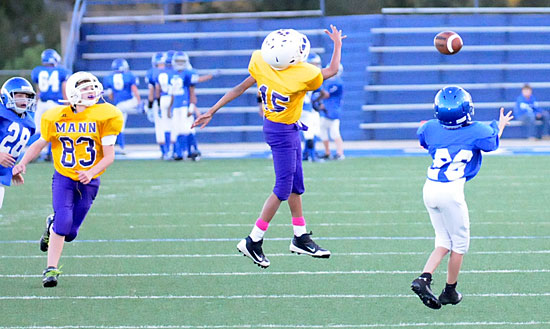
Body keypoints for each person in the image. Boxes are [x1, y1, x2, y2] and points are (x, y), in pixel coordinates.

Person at [192, 25, 345, 268]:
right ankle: (253, 239)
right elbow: (333, 69)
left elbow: (240, 88)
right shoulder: (302, 74)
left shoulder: (261, 62)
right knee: (283, 188)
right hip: (282, 131)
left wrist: (212, 110)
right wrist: (337, 43)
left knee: (296, 184)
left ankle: (300, 236)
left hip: (281, 127)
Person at [12, 72, 123, 288]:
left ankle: (50, 225)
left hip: (89, 181)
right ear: (73, 92)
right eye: (85, 88)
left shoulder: (106, 115)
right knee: (63, 224)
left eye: (93, 87)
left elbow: (109, 156)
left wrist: (91, 172)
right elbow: (39, 144)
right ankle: (50, 269)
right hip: (64, 176)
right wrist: (22, 162)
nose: (91, 91)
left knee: (70, 233)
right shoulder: (56, 116)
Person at [410, 86, 513, 309]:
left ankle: (424, 278)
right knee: (459, 245)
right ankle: (450, 291)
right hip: (451, 191)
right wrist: (501, 125)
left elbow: (425, 140)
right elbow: (492, 141)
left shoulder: (429, 127)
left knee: (443, 241)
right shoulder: (477, 130)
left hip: (430, 187)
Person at [0, 77, 37, 207]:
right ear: (6, 96)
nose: (24, 100)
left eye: (27, 96)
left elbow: (8, 147)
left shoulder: (29, 122)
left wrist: (9, 170)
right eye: (19, 95)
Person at [31, 49, 71, 160]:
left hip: (42, 103)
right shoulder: (62, 71)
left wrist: (36, 101)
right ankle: (50, 154)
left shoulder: (37, 71)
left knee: (38, 129)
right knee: (55, 130)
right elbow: (64, 87)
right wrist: (67, 102)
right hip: (55, 104)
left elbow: (38, 89)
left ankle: (34, 155)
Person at [103, 58, 141, 154]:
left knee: (120, 125)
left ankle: (122, 147)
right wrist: (139, 102)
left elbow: (110, 95)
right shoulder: (129, 75)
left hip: (119, 104)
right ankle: (141, 106)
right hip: (128, 102)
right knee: (120, 125)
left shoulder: (109, 78)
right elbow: (134, 89)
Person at [167, 51, 198, 160]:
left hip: (185, 104)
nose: (180, 63)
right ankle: (179, 153)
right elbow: (172, 93)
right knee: (177, 130)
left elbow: (192, 91)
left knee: (187, 129)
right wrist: (169, 107)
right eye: (178, 61)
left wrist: (192, 105)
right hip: (176, 105)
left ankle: (193, 151)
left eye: (182, 61)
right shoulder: (171, 74)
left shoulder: (189, 73)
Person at [299, 52, 326, 162]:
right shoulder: (313, 77)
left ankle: (305, 154)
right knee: (311, 134)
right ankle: (311, 155)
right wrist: (315, 102)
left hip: (297, 108)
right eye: (314, 64)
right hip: (306, 109)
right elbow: (323, 93)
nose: (316, 66)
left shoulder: (298, 75)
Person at [319, 63, 345, 160]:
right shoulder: (328, 81)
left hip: (333, 110)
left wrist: (316, 89)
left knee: (334, 132)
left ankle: (340, 153)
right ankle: (327, 152)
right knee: (323, 130)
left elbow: (326, 95)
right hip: (326, 109)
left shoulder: (337, 82)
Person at [145, 52, 166, 155]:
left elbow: (152, 90)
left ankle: (165, 152)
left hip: (160, 102)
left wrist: (150, 105)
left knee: (160, 127)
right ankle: (174, 150)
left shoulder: (151, 72)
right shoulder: (170, 71)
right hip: (172, 101)